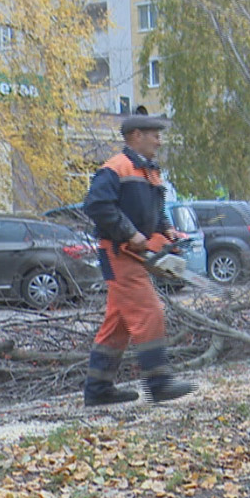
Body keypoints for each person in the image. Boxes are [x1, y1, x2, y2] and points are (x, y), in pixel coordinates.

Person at [81, 114, 195, 406]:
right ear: (135, 136)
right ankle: (158, 383)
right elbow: (96, 206)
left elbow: (157, 211)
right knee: (150, 311)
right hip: (119, 252)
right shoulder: (115, 169)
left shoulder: (150, 172)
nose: (159, 141)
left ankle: (98, 389)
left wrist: (166, 232)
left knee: (117, 325)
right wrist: (130, 233)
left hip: (135, 252)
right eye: (154, 135)